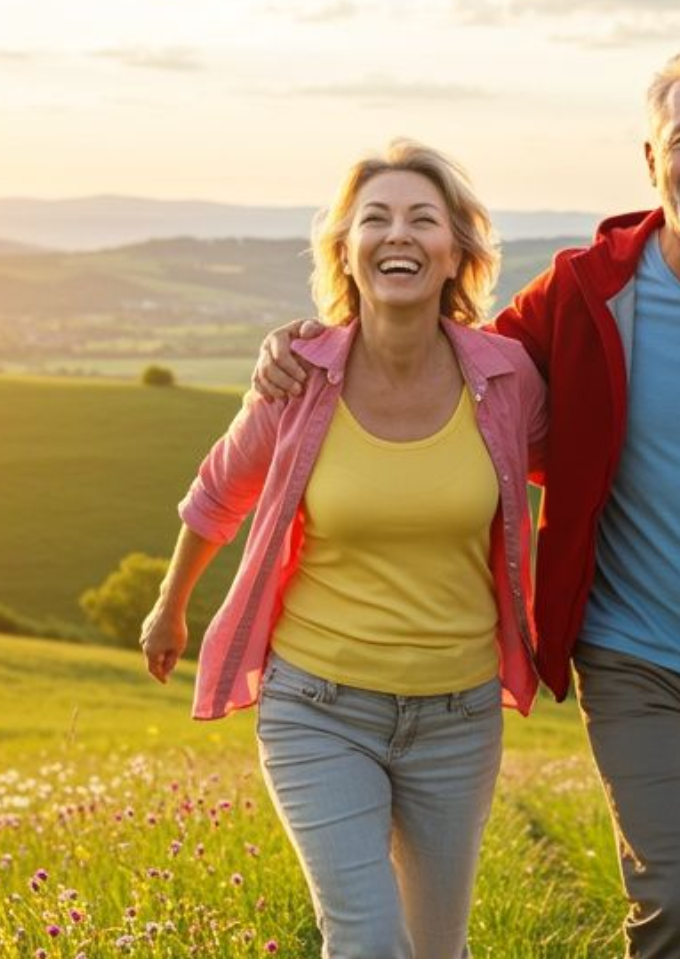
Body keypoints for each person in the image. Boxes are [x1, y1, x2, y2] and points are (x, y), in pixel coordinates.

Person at [254, 44, 680, 958]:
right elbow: (448, 364)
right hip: (634, 660)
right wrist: (319, 346)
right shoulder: (585, 291)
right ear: (652, 159)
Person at [140, 138, 545, 959]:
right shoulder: (299, 379)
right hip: (318, 708)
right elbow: (218, 492)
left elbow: (585, 468)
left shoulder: (506, 379)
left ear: (456, 252)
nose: (398, 234)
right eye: (376, 219)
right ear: (347, 251)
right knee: (366, 943)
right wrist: (168, 606)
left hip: (457, 715)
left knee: (437, 948)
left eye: (422, 219)